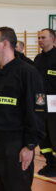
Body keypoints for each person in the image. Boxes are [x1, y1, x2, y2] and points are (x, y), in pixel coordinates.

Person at [0, 27, 45, 191]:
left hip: (15, 148)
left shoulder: (27, 73)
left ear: (5, 44)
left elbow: (37, 112)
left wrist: (30, 146)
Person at [34, 28, 56, 177]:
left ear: (53, 39)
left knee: (54, 134)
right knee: (43, 134)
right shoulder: (38, 59)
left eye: (43, 37)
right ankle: (50, 163)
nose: (40, 40)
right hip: (40, 101)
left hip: (55, 101)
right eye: (39, 38)